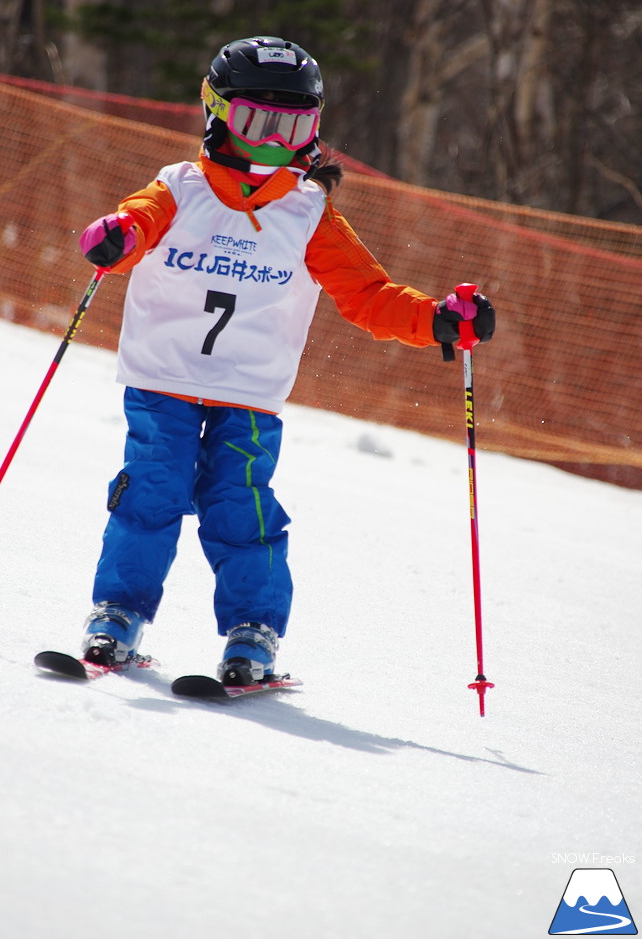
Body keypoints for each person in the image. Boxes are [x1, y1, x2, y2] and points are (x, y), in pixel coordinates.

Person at [78, 35, 495, 683]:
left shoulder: (308, 213)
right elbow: (139, 225)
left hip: (248, 392)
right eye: (257, 123)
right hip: (164, 379)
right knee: (150, 495)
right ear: (218, 114)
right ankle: (117, 617)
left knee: (238, 505)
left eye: (291, 127)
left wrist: (436, 320)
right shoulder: (180, 190)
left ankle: (254, 631)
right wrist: (117, 237)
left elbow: (367, 294)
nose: (272, 143)